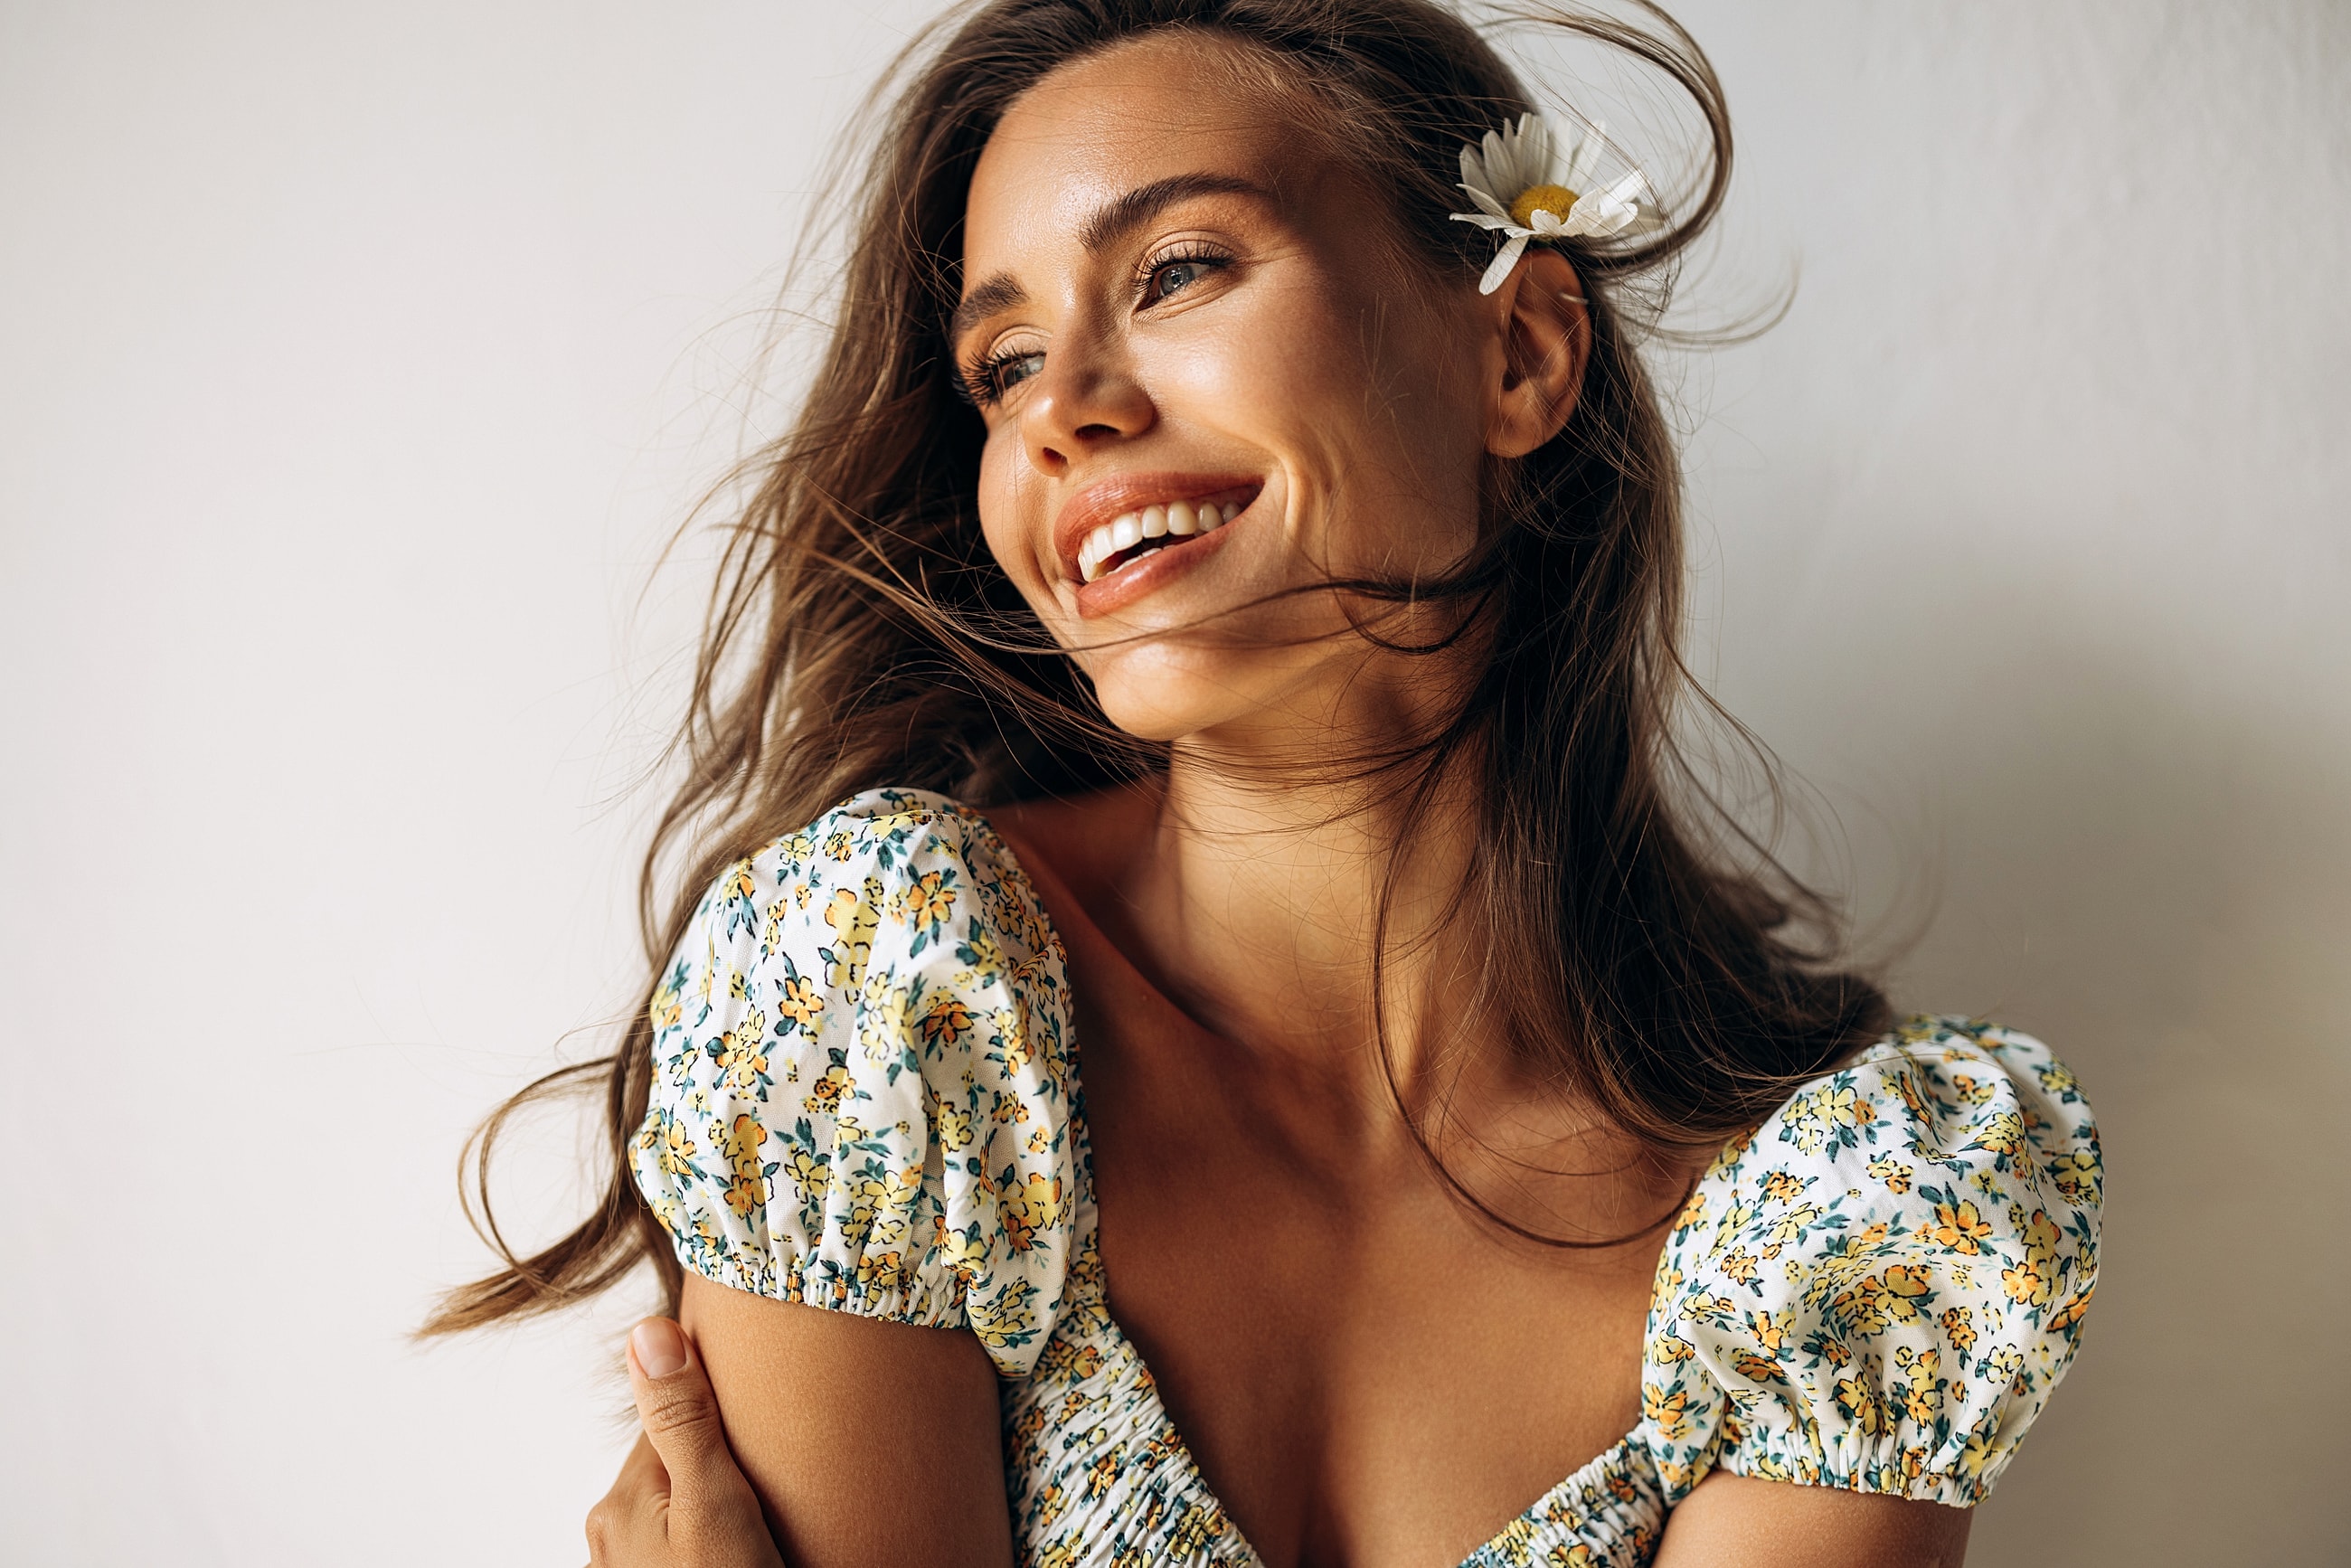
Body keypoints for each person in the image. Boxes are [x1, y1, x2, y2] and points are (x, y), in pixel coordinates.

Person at [423, 3, 2102, 1563]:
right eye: (1002, 368)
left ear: (1519, 352)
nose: (1062, 414)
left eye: (1174, 270)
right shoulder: (876, 1006)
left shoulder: (1862, 1223)